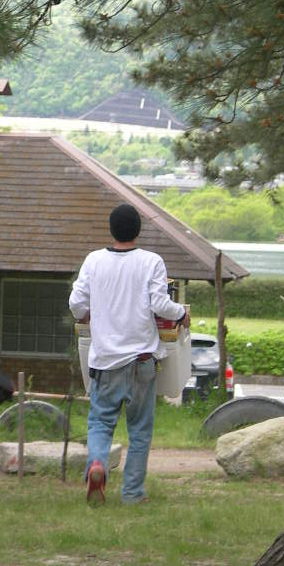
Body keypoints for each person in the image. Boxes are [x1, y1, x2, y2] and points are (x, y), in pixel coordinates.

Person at [69, 203, 190, 506]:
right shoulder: (151, 261)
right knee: (139, 430)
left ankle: (97, 464)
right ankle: (133, 493)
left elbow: (76, 304)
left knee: (100, 422)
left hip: (105, 360)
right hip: (142, 362)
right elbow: (161, 305)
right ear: (138, 230)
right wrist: (181, 314)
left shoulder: (93, 261)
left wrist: (87, 315)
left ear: (111, 230)